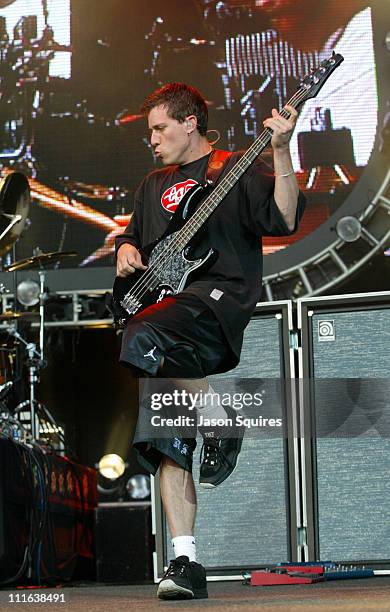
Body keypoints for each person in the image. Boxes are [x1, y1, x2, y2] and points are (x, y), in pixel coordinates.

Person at [115, 82, 305, 600]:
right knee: (167, 444)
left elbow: (285, 217)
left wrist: (283, 148)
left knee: (140, 332)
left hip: (214, 300)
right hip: (167, 320)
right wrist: (126, 250)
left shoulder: (234, 167)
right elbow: (137, 236)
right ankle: (185, 563)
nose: (151, 139)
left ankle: (221, 419)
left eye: (159, 128)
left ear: (190, 122)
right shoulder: (154, 183)